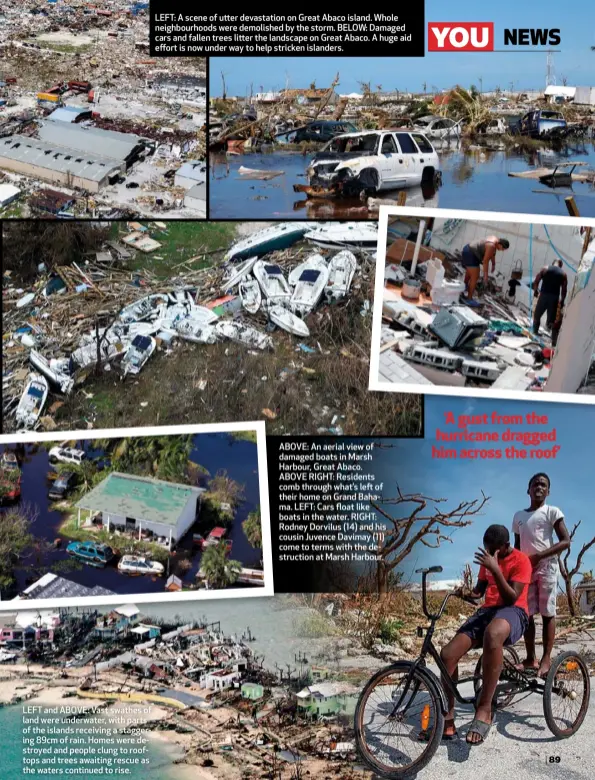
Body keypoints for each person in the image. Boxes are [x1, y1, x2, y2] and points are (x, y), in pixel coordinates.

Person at [439, 524, 531, 745]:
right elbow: (479, 592)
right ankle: (448, 715)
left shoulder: (521, 561)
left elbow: (511, 598)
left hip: (515, 612)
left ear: (506, 546)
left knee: (493, 633)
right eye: (487, 550)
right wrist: (466, 593)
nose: (489, 554)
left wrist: (496, 569)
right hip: (488, 611)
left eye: (493, 551)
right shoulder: (488, 559)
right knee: (447, 654)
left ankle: (484, 708)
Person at [512, 473, 570, 678]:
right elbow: (517, 548)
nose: (539, 487)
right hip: (526, 569)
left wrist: (539, 556)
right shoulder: (519, 516)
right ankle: (530, 658)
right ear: (528, 489)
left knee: (547, 613)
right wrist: (515, 567)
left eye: (543, 485)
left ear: (548, 491)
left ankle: (546, 658)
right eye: (535, 484)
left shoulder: (552, 512)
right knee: (527, 614)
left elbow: (565, 541)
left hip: (546, 566)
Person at [460, 236, 510, 303]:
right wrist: (485, 276)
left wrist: (493, 264)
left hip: (469, 249)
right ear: (500, 244)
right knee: (475, 277)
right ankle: (469, 299)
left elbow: (492, 254)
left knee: (470, 273)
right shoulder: (491, 246)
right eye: (503, 248)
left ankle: (463, 288)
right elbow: (485, 261)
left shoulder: (495, 240)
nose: (502, 250)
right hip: (471, 253)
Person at [533, 261, 567, 336]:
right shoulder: (563, 274)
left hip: (543, 296)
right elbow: (564, 289)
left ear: (552, 263)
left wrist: (535, 290)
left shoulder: (545, 269)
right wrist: (562, 301)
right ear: (561, 266)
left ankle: (535, 332)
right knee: (552, 320)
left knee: (537, 315)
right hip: (554, 298)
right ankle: (553, 339)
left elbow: (536, 280)